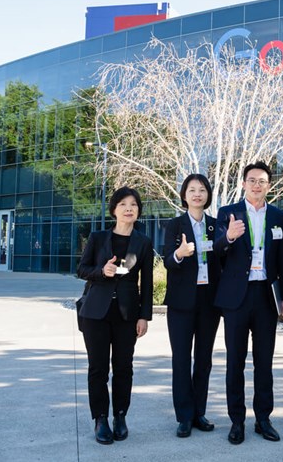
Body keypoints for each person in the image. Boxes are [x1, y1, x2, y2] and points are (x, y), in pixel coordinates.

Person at [213, 162, 283, 445]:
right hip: (236, 298)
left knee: (264, 362)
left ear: (269, 185)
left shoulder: (278, 216)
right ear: (244, 183)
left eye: (262, 181)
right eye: (252, 180)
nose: (257, 185)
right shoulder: (227, 213)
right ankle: (236, 421)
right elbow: (216, 251)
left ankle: (263, 419)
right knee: (235, 362)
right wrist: (229, 236)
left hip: (266, 296)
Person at [77, 186, 153, 445]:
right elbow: (82, 269)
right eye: (123, 204)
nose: (129, 208)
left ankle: (120, 416)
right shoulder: (98, 238)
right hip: (96, 313)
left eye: (133, 204)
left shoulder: (143, 242)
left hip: (127, 314)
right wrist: (102, 271)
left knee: (123, 368)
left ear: (138, 210)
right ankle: (100, 419)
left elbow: (148, 283)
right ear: (114, 210)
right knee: (97, 368)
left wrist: (144, 317)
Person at [162, 174, 221, 438]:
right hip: (181, 303)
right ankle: (184, 416)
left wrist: (228, 241)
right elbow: (167, 261)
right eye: (192, 190)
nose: (197, 194)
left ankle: (199, 412)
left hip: (209, 301)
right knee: (182, 359)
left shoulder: (217, 226)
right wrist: (179, 254)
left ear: (208, 195)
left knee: (204, 360)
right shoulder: (174, 226)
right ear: (184, 195)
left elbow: (223, 258)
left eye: (202, 190)